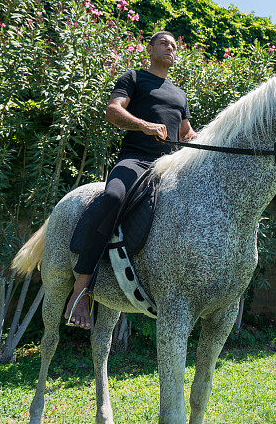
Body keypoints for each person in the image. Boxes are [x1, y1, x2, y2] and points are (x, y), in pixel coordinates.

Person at [64, 30, 196, 329]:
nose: (169, 48)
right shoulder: (133, 78)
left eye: (173, 46)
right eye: (163, 43)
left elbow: (186, 134)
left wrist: (200, 138)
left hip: (170, 167)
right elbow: (113, 112)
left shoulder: (179, 94)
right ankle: (80, 290)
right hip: (136, 160)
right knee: (111, 198)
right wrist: (144, 125)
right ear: (149, 49)